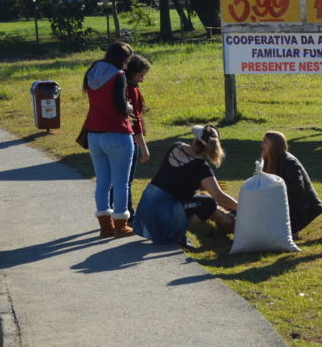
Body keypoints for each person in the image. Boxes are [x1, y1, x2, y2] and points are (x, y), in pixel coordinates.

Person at [132, 125, 237, 249]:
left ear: (195, 138)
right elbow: (219, 196)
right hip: (164, 214)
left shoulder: (175, 146)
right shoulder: (200, 166)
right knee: (209, 203)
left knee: (201, 199)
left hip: (145, 214)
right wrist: (241, 207)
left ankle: (173, 232)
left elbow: (177, 178)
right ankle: (177, 236)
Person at [81, 40, 135, 238]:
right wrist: (129, 108)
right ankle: (121, 224)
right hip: (117, 133)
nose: (127, 65)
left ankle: (105, 226)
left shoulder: (92, 71)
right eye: (127, 60)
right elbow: (120, 107)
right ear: (122, 60)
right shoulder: (118, 76)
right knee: (121, 183)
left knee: (102, 181)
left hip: (94, 133)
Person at [261, 131, 322, 241]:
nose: (262, 145)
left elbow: (297, 187)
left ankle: (292, 228)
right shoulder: (268, 160)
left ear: (274, 145)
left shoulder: (289, 162)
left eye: (265, 142)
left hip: (303, 206)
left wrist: (275, 186)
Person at [122, 54, 152, 222]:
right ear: (132, 72)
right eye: (141, 75)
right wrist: (144, 147)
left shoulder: (120, 87)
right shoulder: (130, 90)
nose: (142, 80)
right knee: (126, 181)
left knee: (117, 181)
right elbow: (135, 120)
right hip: (130, 140)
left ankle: (116, 212)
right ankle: (128, 214)